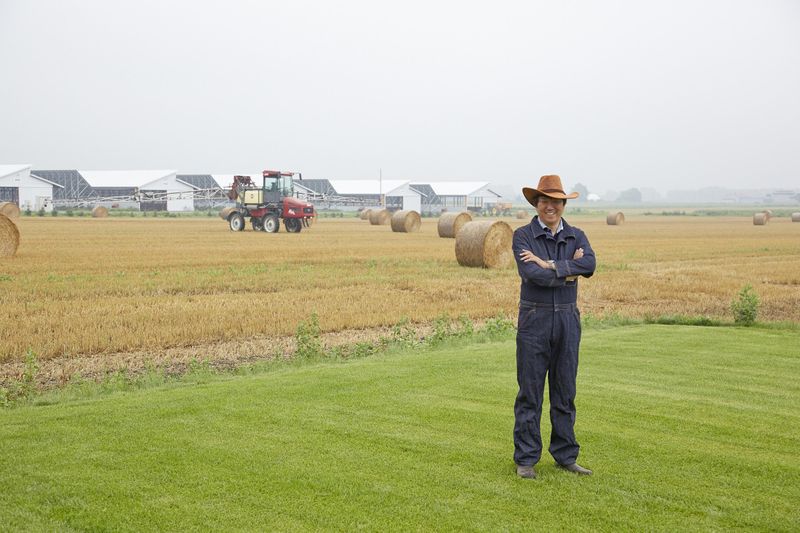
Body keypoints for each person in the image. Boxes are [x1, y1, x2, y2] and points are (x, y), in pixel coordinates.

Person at [512, 174, 596, 479]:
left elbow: (590, 266)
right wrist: (568, 271)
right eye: (545, 201)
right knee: (530, 393)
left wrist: (551, 265)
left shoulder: (577, 235)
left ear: (563, 205)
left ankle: (565, 456)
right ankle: (526, 459)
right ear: (537, 204)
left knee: (565, 391)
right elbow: (534, 275)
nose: (551, 206)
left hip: (567, 320)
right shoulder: (522, 236)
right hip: (534, 320)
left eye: (557, 201)